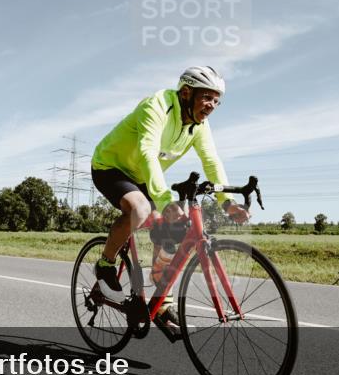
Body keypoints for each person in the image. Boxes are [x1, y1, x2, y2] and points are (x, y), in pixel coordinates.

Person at [90, 66, 250, 332]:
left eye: (216, 100)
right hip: (110, 166)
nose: (212, 105)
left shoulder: (199, 125)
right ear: (186, 93)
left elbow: (211, 161)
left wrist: (227, 202)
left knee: (171, 229)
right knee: (140, 210)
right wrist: (165, 200)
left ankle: (161, 302)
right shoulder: (157, 105)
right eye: (206, 97)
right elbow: (147, 153)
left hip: (141, 176)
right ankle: (106, 264)